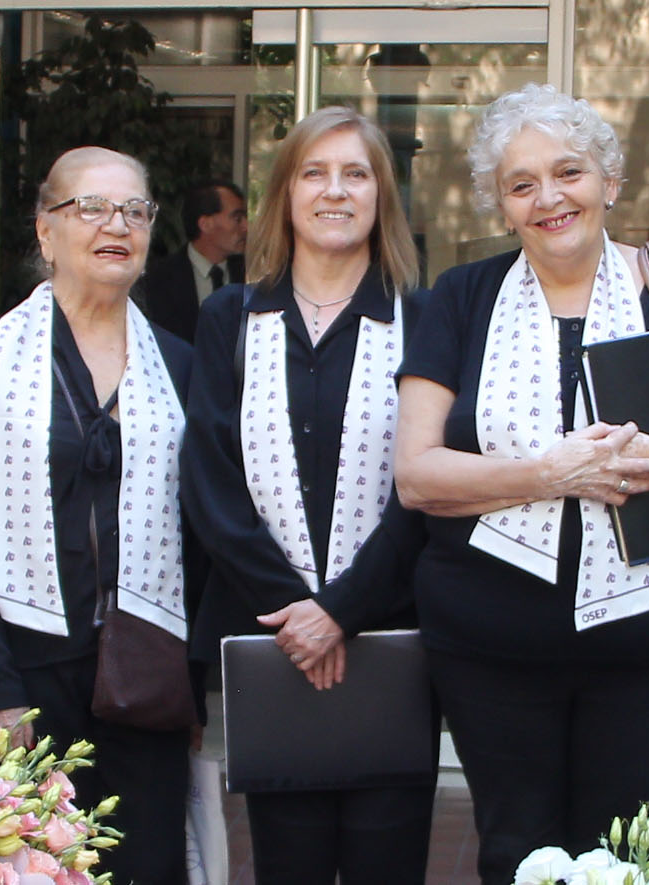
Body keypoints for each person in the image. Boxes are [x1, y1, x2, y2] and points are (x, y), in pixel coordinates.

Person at [393, 84, 649, 885]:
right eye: (522, 183)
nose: (549, 198)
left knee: (624, 857)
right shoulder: (462, 296)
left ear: (610, 180)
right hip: (489, 646)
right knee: (516, 853)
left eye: (568, 172)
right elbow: (416, 474)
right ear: (501, 205)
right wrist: (552, 473)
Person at [0, 146, 199, 885]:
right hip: (26, 677)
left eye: (135, 210)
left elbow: (202, 532)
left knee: (147, 866)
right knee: (30, 868)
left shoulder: (178, 364)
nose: (118, 225)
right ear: (46, 231)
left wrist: (196, 679)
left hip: (146, 677)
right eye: (93, 208)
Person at [180, 108, 431, 885]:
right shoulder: (230, 317)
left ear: (382, 195)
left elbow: (426, 487)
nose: (335, 190)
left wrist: (342, 609)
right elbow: (211, 479)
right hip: (274, 638)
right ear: (285, 194)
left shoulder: (422, 318)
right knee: (288, 863)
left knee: (388, 865)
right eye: (314, 173)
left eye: (356, 174)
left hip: (389, 639)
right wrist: (298, 612)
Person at [136, 178, 246, 340]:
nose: (245, 227)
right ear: (205, 224)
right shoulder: (157, 280)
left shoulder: (251, 275)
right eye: (237, 219)